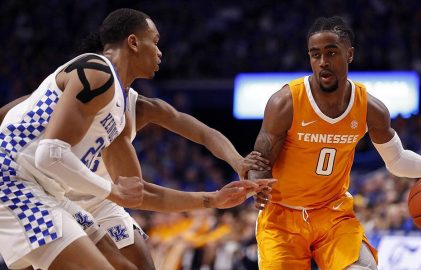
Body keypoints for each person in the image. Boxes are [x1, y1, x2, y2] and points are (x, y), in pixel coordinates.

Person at [0, 8, 272, 270]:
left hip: (61, 190)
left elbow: (139, 191)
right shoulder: (95, 72)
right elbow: (45, 150)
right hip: (18, 180)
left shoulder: (124, 107)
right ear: (132, 42)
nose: (160, 51)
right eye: (155, 42)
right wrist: (116, 192)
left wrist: (229, 174)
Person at [248, 16, 421, 270]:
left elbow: (396, 160)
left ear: (349, 54)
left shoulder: (370, 108)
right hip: (282, 217)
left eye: (331, 53)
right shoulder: (285, 102)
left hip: (332, 214)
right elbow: (261, 159)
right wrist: (258, 183)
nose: (323, 62)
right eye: (315, 54)